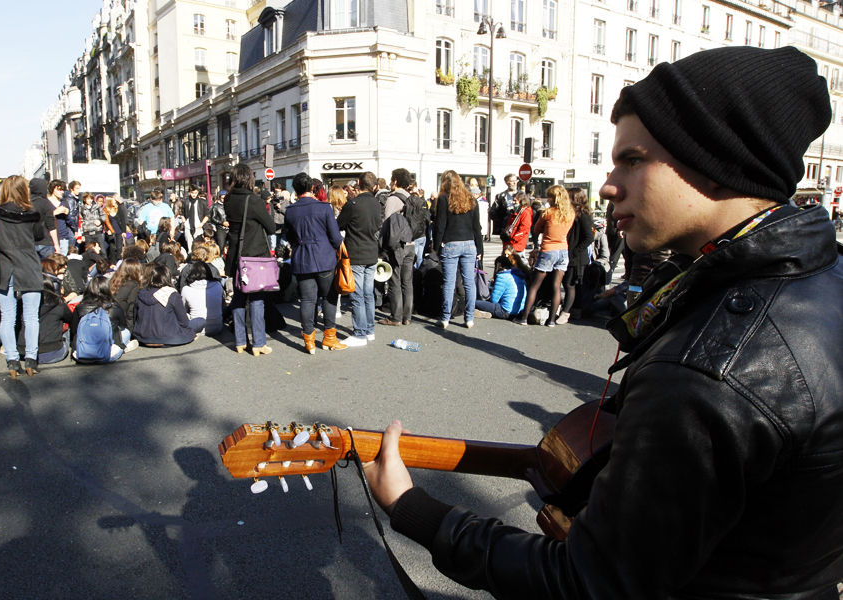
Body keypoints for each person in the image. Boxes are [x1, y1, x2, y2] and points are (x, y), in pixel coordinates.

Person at [365, 46, 843, 598]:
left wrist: (412, 507)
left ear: (714, 159)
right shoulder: (819, 278)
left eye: (633, 159)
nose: (609, 183)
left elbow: (583, 583)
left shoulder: (709, 368)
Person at [0, 175, 44, 378]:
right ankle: (31, 360)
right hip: (29, 266)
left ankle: (12, 360)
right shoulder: (32, 213)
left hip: (4, 268)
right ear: (23, 190)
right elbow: (38, 236)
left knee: (7, 318)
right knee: (31, 317)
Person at [283, 172, 346, 353]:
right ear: (312, 188)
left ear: (295, 189)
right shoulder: (324, 208)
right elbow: (335, 237)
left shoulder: (290, 210)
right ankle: (329, 338)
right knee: (329, 297)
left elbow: (289, 237)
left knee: (307, 300)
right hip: (324, 257)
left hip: (302, 258)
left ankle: (309, 341)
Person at [224, 163, 275, 356]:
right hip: (254, 256)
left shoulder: (228, 199)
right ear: (249, 179)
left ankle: (239, 341)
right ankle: (259, 343)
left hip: (236, 255)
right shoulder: (253, 200)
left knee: (237, 297)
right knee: (256, 299)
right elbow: (270, 227)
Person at [514, 184, 574, 327]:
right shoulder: (570, 213)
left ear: (554, 198)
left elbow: (537, 229)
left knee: (535, 285)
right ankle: (552, 320)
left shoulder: (548, 213)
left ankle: (524, 317)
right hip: (563, 250)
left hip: (548, 249)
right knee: (556, 286)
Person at [336, 172, 383, 347]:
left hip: (356, 253)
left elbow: (338, 225)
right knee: (368, 294)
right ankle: (369, 330)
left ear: (358, 183)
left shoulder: (353, 204)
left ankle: (360, 332)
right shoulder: (376, 203)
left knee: (357, 295)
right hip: (371, 252)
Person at [433, 170, 482, 329]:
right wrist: (480, 248)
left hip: (451, 243)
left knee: (449, 282)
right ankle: (469, 318)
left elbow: (440, 226)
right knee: (469, 282)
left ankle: (445, 317)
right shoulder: (470, 199)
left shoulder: (444, 199)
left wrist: (436, 247)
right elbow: (477, 227)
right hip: (469, 243)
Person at [378, 168, 417, 327]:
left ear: (395, 181)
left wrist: (382, 248)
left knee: (394, 280)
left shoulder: (393, 199)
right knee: (407, 282)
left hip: (397, 245)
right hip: (411, 243)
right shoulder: (411, 197)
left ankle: (395, 317)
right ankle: (407, 316)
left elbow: (387, 224)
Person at [71, 275, 137, 362]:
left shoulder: (80, 307)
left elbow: (73, 330)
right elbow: (122, 325)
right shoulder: (114, 306)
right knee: (126, 332)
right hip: (108, 353)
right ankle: (123, 346)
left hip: (81, 354)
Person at [556, 187, 595, 325]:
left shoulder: (583, 215)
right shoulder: (572, 213)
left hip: (576, 256)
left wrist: (574, 252)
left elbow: (589, 237)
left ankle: (565, 313)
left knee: (569, 284)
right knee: (572, 285)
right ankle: (575, 310)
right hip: (570, 253)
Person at [133, 263, 196, 347]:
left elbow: (135, 316)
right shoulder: (172, 294)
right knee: (200, 321)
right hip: (168, 337)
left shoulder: (141, 293)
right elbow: (183, 322)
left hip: (142, 336)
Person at [474, 252, 528, 320]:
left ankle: (483, 312)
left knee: (474, 302)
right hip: (519, 311)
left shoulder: (502, 276)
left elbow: (494, 300)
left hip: (505, 311)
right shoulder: (519, 275)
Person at [180, 260, 224, 336]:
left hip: (197, 329)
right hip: (217, 327)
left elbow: (183, 309)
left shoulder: (186, 289)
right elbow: (222, 304)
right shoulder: (218, 285)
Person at [29, 178, 60, 260]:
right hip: (46, 241)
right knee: (48, 269)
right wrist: (56, 244)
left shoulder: (26, 203)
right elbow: (51, 226)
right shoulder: (46, 203)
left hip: (30, 242)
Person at [503, 191, 532, 257]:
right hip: (511, 242)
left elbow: (524, 229)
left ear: (521, 201)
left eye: (515, 200)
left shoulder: (525, 212)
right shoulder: (516, 211)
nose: (513, 202)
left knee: (517, 263)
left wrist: (514, 238)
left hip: (516, 243)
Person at [488, 173, 518, 238]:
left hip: (518, 228)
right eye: (512, 181)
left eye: (515, 180)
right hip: (506, 228)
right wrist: (501, 223)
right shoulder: (501, 196)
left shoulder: (522, 195)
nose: (514, 183)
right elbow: (493, 212)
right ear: (507, 183)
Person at [182, 185, 207, 252]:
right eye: (192, 193)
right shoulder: (186, 201)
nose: (194, 195)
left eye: (195, 193)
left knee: (198, 245)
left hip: (198, 226)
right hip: (188, 226)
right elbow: (182, 213)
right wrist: (184, 222)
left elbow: (207, 215)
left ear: (198, 192)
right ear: (190, 192)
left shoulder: (202, 202)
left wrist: (202, 224)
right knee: (189, 246)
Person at [208, 190, 229, 254]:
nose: (224, 199)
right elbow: (213, 218)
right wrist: (222, 222)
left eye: (225, 198)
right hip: (221, 229)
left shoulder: (229, 205)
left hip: (229, 228)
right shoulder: (215, 206)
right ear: (219, 197)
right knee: (221, 246)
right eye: (222, 198)